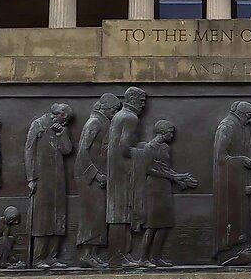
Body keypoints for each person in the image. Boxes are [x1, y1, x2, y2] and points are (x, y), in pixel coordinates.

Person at [135, 120, 198, 267]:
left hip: (165, 187)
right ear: (162, 132)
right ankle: (143, 259)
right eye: (170, 132)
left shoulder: (165, 148)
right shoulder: (149, 147)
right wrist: (174, 177)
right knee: (152, 225)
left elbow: (166, 168)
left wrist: (180, 177)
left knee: (164, 225)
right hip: (153, 188)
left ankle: (156, 258)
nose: (172, 135)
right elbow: (148, 169)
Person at [26, 103, 74, 269]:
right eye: (64, 118)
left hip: (58, 178)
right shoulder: (38, 125)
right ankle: (39, 258)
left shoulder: (62, 128)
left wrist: (62, 134)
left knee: (58, 217)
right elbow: (29, 151)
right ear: (57, 114)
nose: (65, 122)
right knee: (42, 218)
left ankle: (52, 257)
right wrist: (31, 178)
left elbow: (67, 150)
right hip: (42, 178)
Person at [212, 101, 251, 261]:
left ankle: (239, 247)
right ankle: (224, 248)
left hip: (241, 177)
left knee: (242, 214)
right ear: (240, 113)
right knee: (230, 214)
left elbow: (250, 149)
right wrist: (242, 161)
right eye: (249, 117)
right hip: (227, 179)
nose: (250, 120)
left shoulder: (243, 128)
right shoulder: (226, 126)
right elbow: (220, 157)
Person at [76, 93, 120, 268]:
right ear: (104, 107)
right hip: (88, 177)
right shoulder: (93, 123)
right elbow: (83, 152)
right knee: (92, 214)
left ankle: (93, 253)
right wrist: (96, 175)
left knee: (99, 215)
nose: (114, 112)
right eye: (113, 109)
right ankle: (86, 254)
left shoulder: (105, 123)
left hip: (99, 176)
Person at [107, 87, 145, 266]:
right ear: (132, 99)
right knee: (121, 215)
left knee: (121, 213)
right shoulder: (130, 118)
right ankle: (118, 256)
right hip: (123, 171)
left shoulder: (119, 116)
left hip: (116, 171)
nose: (144, 103)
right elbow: (124, 148)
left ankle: (122, 254)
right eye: (141, 99)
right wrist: (142, 151)